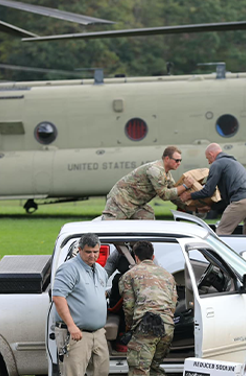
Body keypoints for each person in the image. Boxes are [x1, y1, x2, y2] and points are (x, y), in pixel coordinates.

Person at [52, 233, 109, 376]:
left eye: (95, 252)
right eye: (88, 252)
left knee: (102, 371)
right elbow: (58, 298)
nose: (92, 255)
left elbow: (101, 293)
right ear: (80, 250)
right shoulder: (69, 269)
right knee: (73, 373)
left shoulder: (101, 271)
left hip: (98, 333)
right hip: (76, 334)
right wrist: (72, 327)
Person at [120, 241, 177, 376]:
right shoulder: (168, 275)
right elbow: (173, 304)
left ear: (136, 258)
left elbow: (128, 306)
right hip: (167, 328)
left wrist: (129, 327)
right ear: (153, 257)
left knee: (139, 370)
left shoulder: (129, 275)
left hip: (146, 327)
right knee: (154, 368)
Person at [180, 143, 246, 235]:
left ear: (211, 154)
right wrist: (211, 207)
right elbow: (226, 199)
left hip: (243, 200)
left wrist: (189, 195)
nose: (209, 162)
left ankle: (219, 250)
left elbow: (208, 191)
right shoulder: (234, 163)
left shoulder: (217, 164)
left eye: (208, 158)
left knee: (222, 232)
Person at [102, 146, 190, 220]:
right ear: (167, 159)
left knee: (148, 218)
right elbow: (165, 194)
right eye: (177, 160)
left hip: (136, 204)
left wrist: (190, 207)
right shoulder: (155, 170)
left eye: (180, 161)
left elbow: (173, 194)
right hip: (120, 201)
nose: (179, 163)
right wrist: (185, 186)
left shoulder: (167, 174)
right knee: (110, 230)